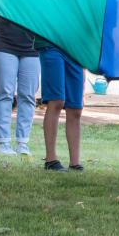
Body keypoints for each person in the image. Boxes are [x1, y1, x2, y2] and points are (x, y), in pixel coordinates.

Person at [0, 17, 42, 155]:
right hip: (4, 45)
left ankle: (22, 143)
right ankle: (3, 143)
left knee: (28, 95)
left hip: (33, 48)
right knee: (5, 93)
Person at [39, 42, 86, 171]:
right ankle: (51, 160)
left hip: (75, 50)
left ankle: (75, 163)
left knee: (76, 108)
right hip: (51, 44)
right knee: (56, 101)